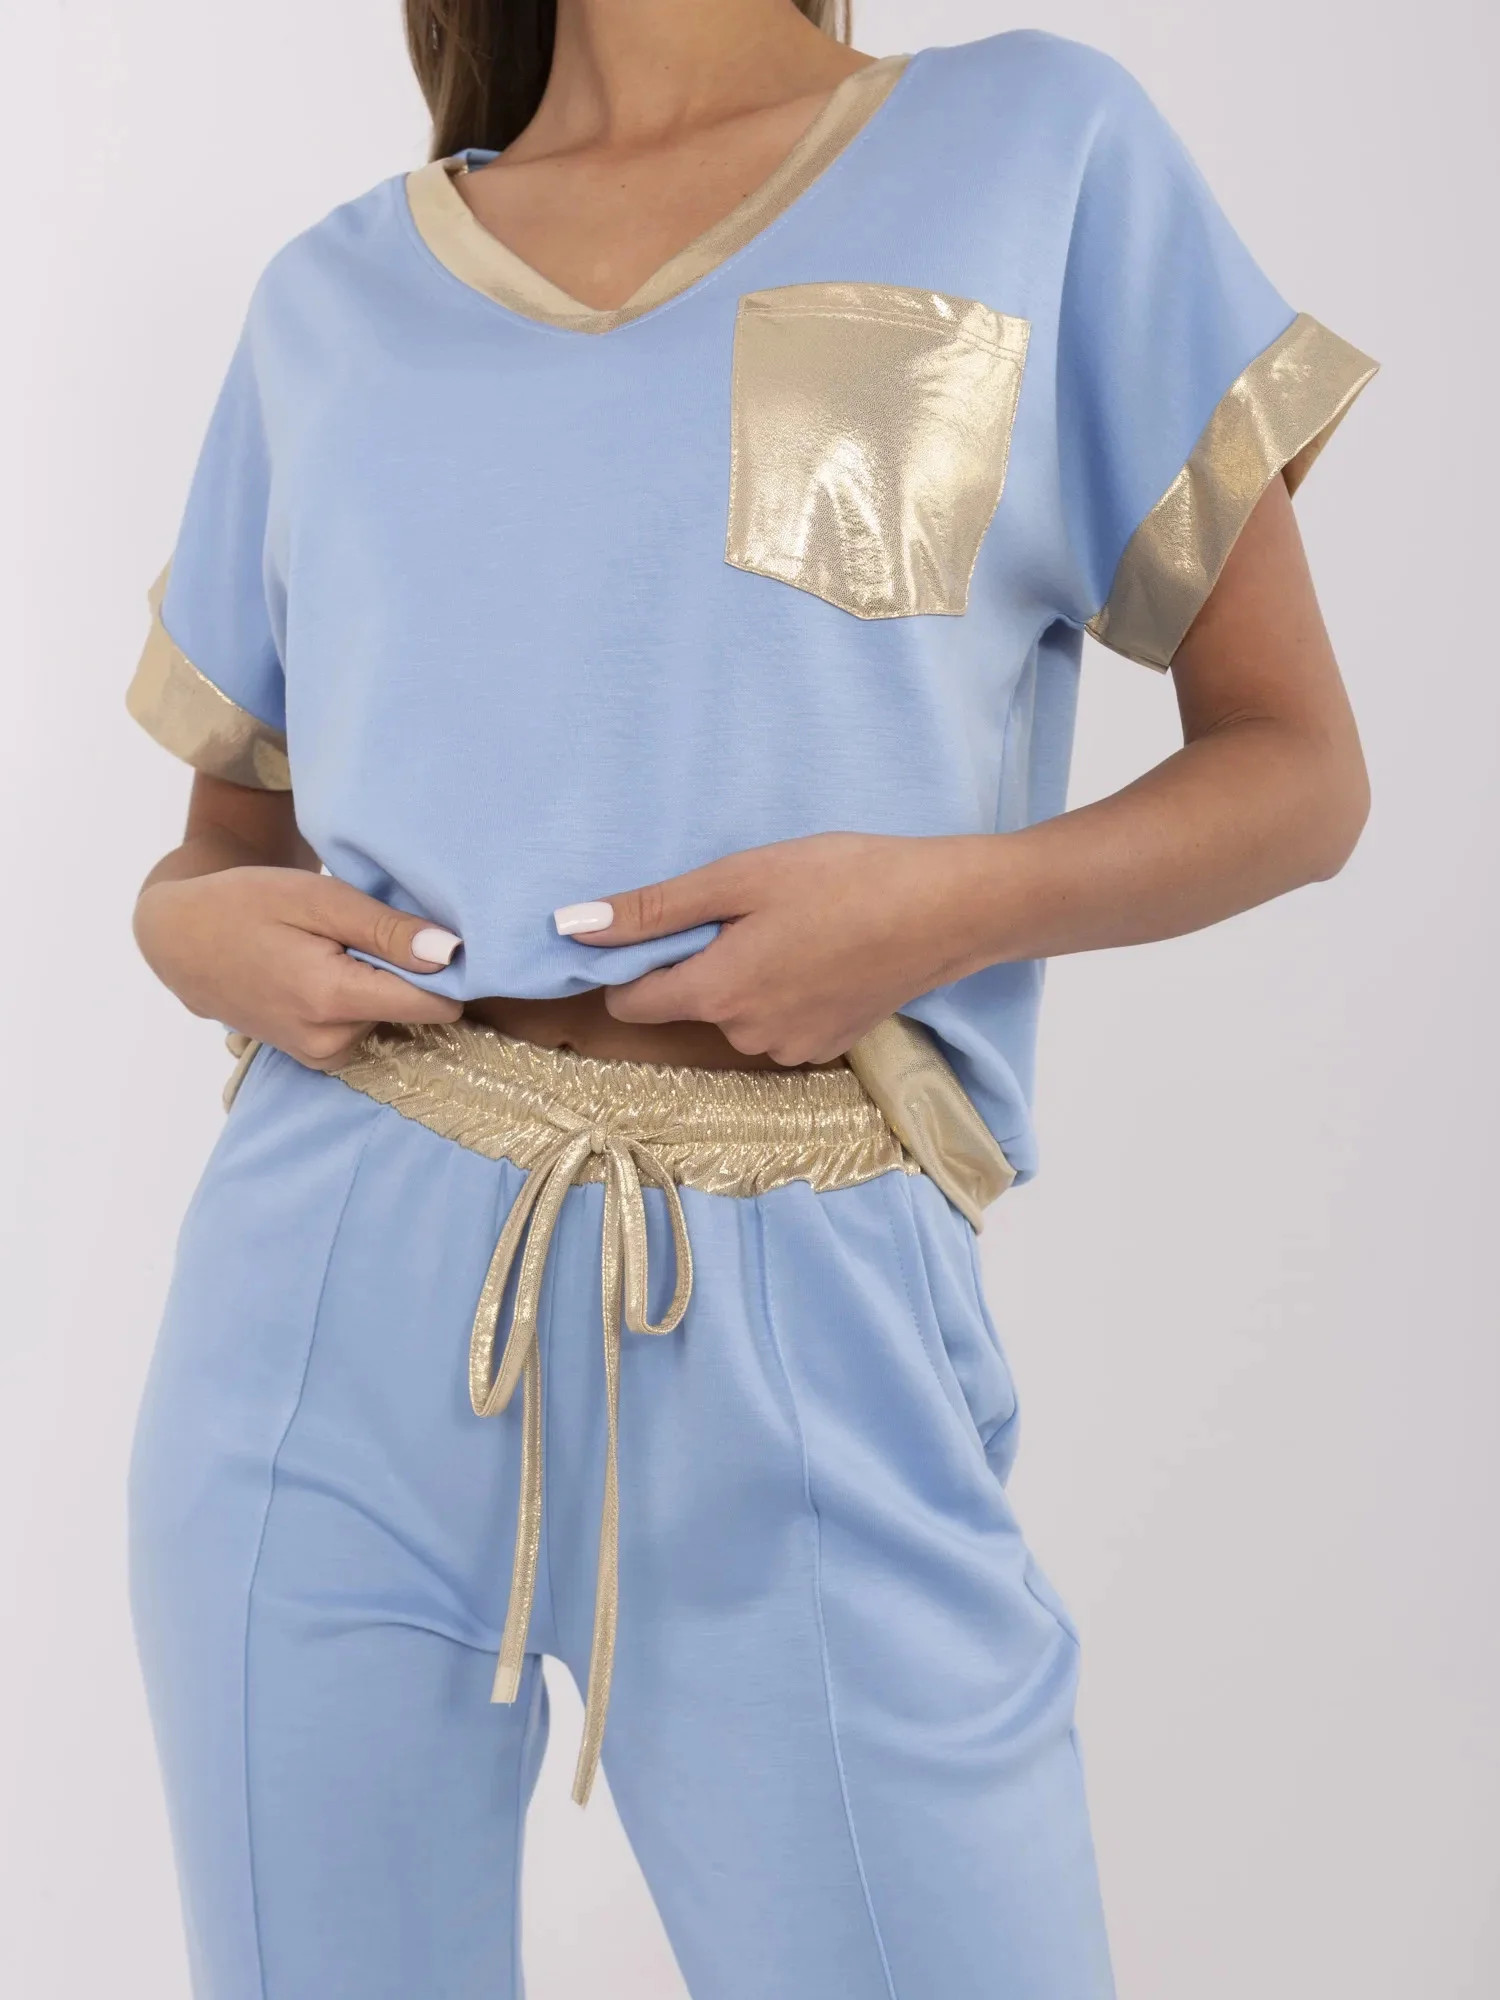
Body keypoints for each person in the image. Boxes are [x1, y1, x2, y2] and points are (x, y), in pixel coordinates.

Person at [124, 2, 1375, 1994]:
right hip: (326, 1282)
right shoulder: (332, 299)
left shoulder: (1038, 144)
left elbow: (1300, 774)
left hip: (806, 1295)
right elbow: (223, 847)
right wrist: (177, 928)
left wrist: (938, 910)